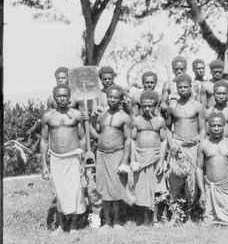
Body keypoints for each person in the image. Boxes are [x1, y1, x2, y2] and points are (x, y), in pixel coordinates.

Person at [40, 84, 86, 235]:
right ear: (54, 97)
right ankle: (61, 226)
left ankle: (73, 226)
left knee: (75, 192)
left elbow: (82, 137)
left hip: (73, 156)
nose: (62, 98)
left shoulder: (77, 115)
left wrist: (84, 160)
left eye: (65, 96)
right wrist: (44, 165)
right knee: (59, 192)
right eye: (59, 96)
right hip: (56, 158)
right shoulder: (48, 116)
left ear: (69, 97)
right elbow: (44, 140)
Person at [86, 84, 132, 233]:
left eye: (115, 97)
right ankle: (106, 222)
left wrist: (125, 160)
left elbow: (128, 140)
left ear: (121, 99)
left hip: (116, 155)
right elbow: (96, 134)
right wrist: (91, 120)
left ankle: (117, 222)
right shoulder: (102, 116)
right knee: (104, 190)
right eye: (110, 97)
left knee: (115, 189)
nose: (112, 99)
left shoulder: (125, 117)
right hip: (101, 155)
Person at [166, 73, 205, 220]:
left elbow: (202, 129)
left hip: (194, 147)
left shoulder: (198, 106)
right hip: (178, 147)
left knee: (192, 181)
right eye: (179, 87)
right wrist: (172, 144)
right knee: (175, 180)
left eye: (185, 87)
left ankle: (189, 215)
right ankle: (176, 214)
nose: (182, 90)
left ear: (191, 88)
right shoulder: (172, 107)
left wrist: (200, 147)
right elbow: (168, 128)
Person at [196, 111, 228, 227]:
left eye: (219, 125)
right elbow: (199, 169)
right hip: (210, 187)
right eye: (213, 125)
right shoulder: (203, 145)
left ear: (224, 126)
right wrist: (202, 192)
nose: (216, 128)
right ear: (208, 126)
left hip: (227, 188)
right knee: (207, 223)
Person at [130, 90, 168, 225]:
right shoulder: (137, 121)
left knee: (156, 189)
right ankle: (146, 219)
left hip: (156, 158)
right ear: (141, 106)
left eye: (150, 106)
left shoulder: (160, 121)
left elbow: (164, 141)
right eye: (144, 106)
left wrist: (161, 161)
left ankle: (156, 218)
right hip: (141, 158)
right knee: (143, 190)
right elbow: (133, 140)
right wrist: (134, 158)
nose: (147, 108)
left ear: (155, 106)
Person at [205, 80, 228, 157]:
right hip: (213, 147)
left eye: (224, 94)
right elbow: (206, 133)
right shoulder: (209, 112)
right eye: (218, 94)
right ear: (214, 94)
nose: (221, 96)